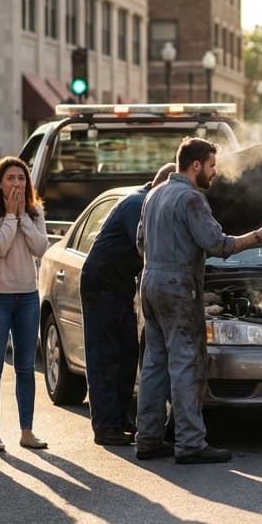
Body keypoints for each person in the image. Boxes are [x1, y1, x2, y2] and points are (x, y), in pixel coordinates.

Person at [134, 138, 262, 464]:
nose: (215, 172)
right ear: (196, 165)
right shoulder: (191, 198)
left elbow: (140, 242)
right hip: (178, 287)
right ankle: (190, 444)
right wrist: (258, 236)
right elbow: (218, 244)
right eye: (212, 166)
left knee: (155, 364)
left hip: (150, 282)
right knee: (186, 363)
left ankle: (148, 440)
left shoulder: (154, 195)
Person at [81, 162, 176, 446]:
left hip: (120, 286)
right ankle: (105, 427)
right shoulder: (138, 204)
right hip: (102, 284)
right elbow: (148, 248)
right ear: (163, 187)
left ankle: (121, 419)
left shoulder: (147, 202)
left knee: (127, 355)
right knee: (105, 357)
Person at [0, 156, 50, 452]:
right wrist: (10, 215)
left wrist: (23, 218)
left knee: (26, 367)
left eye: (21, 178)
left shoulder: (35, 211)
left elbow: (40, 247)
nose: (17, 183)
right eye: (10, 178)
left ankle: (27, 431)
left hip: (27, 297)